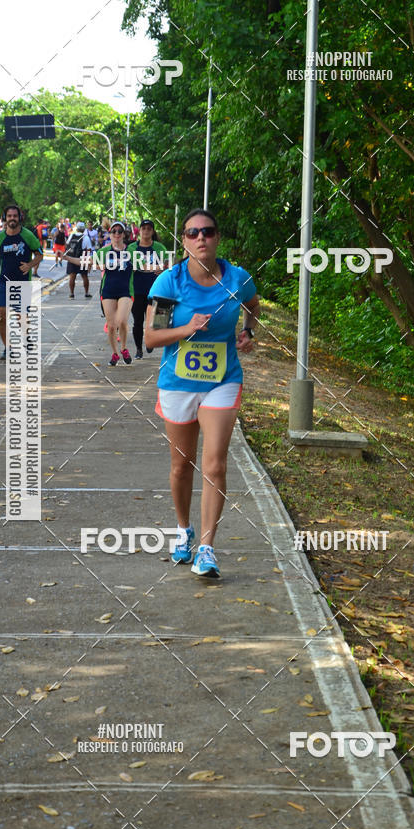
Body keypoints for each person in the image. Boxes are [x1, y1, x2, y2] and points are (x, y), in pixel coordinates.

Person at [144, 208, 260, 578]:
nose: (200, 239)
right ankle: (184, 530)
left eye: (207, 232)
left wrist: (248, 331)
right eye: (192, 233)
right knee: (182, 466)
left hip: (222, 380)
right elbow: (150, 338)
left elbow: (253, 306)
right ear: (184, 240)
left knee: (215, 464)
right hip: (177, 382)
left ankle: (207, 548)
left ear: (217, 237)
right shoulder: (169, 283)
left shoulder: (238, 279)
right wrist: (186, 329)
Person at [65, 219, 133, 365]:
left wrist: (162, 267)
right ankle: (115, 353)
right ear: (110, 234)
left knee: (122, 321)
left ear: (124, 234)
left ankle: (124, 348)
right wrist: (66, 257)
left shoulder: (130, 250)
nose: (117, 234)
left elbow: (145, 264)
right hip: (108, 290)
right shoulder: (104, 251)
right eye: (114, 231)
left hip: (126, 291)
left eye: (119, 231)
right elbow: (85, 261)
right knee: (111, 324)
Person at [0, 204, 43, 360]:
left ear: (20, 218)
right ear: (5, 218)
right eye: (9, 216)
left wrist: (30, 265)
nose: (12, 219)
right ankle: (8, 348)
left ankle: (27, 339)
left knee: (21, 317)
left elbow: (39, 254)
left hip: (22, 282)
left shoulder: (27, 235)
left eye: (15, 216)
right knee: (0, 314)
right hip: (3, 281)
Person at [129, 218, 168, 359]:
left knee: (154, 321)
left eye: (149, 229)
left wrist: (163, 270)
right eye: (143, 228)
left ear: (152, 231)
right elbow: (134, 265)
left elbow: (167, 266)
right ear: (139, 230)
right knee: (138, 321)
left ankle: (149, 342)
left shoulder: (159, 248)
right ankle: (139, 349)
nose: (146, 231)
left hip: (155, 289)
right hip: (137, 289)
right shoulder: (132, 248)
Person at [64, 221, 93, 298]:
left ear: (77, 229)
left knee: (72, 276)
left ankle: (71, 294)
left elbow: (67, 245)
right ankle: (86, 293)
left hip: (72, 258)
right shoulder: (86, 237)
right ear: (83, 229)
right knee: (84, 276)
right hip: (82, 258)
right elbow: (89, 250)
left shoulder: (71, 236)